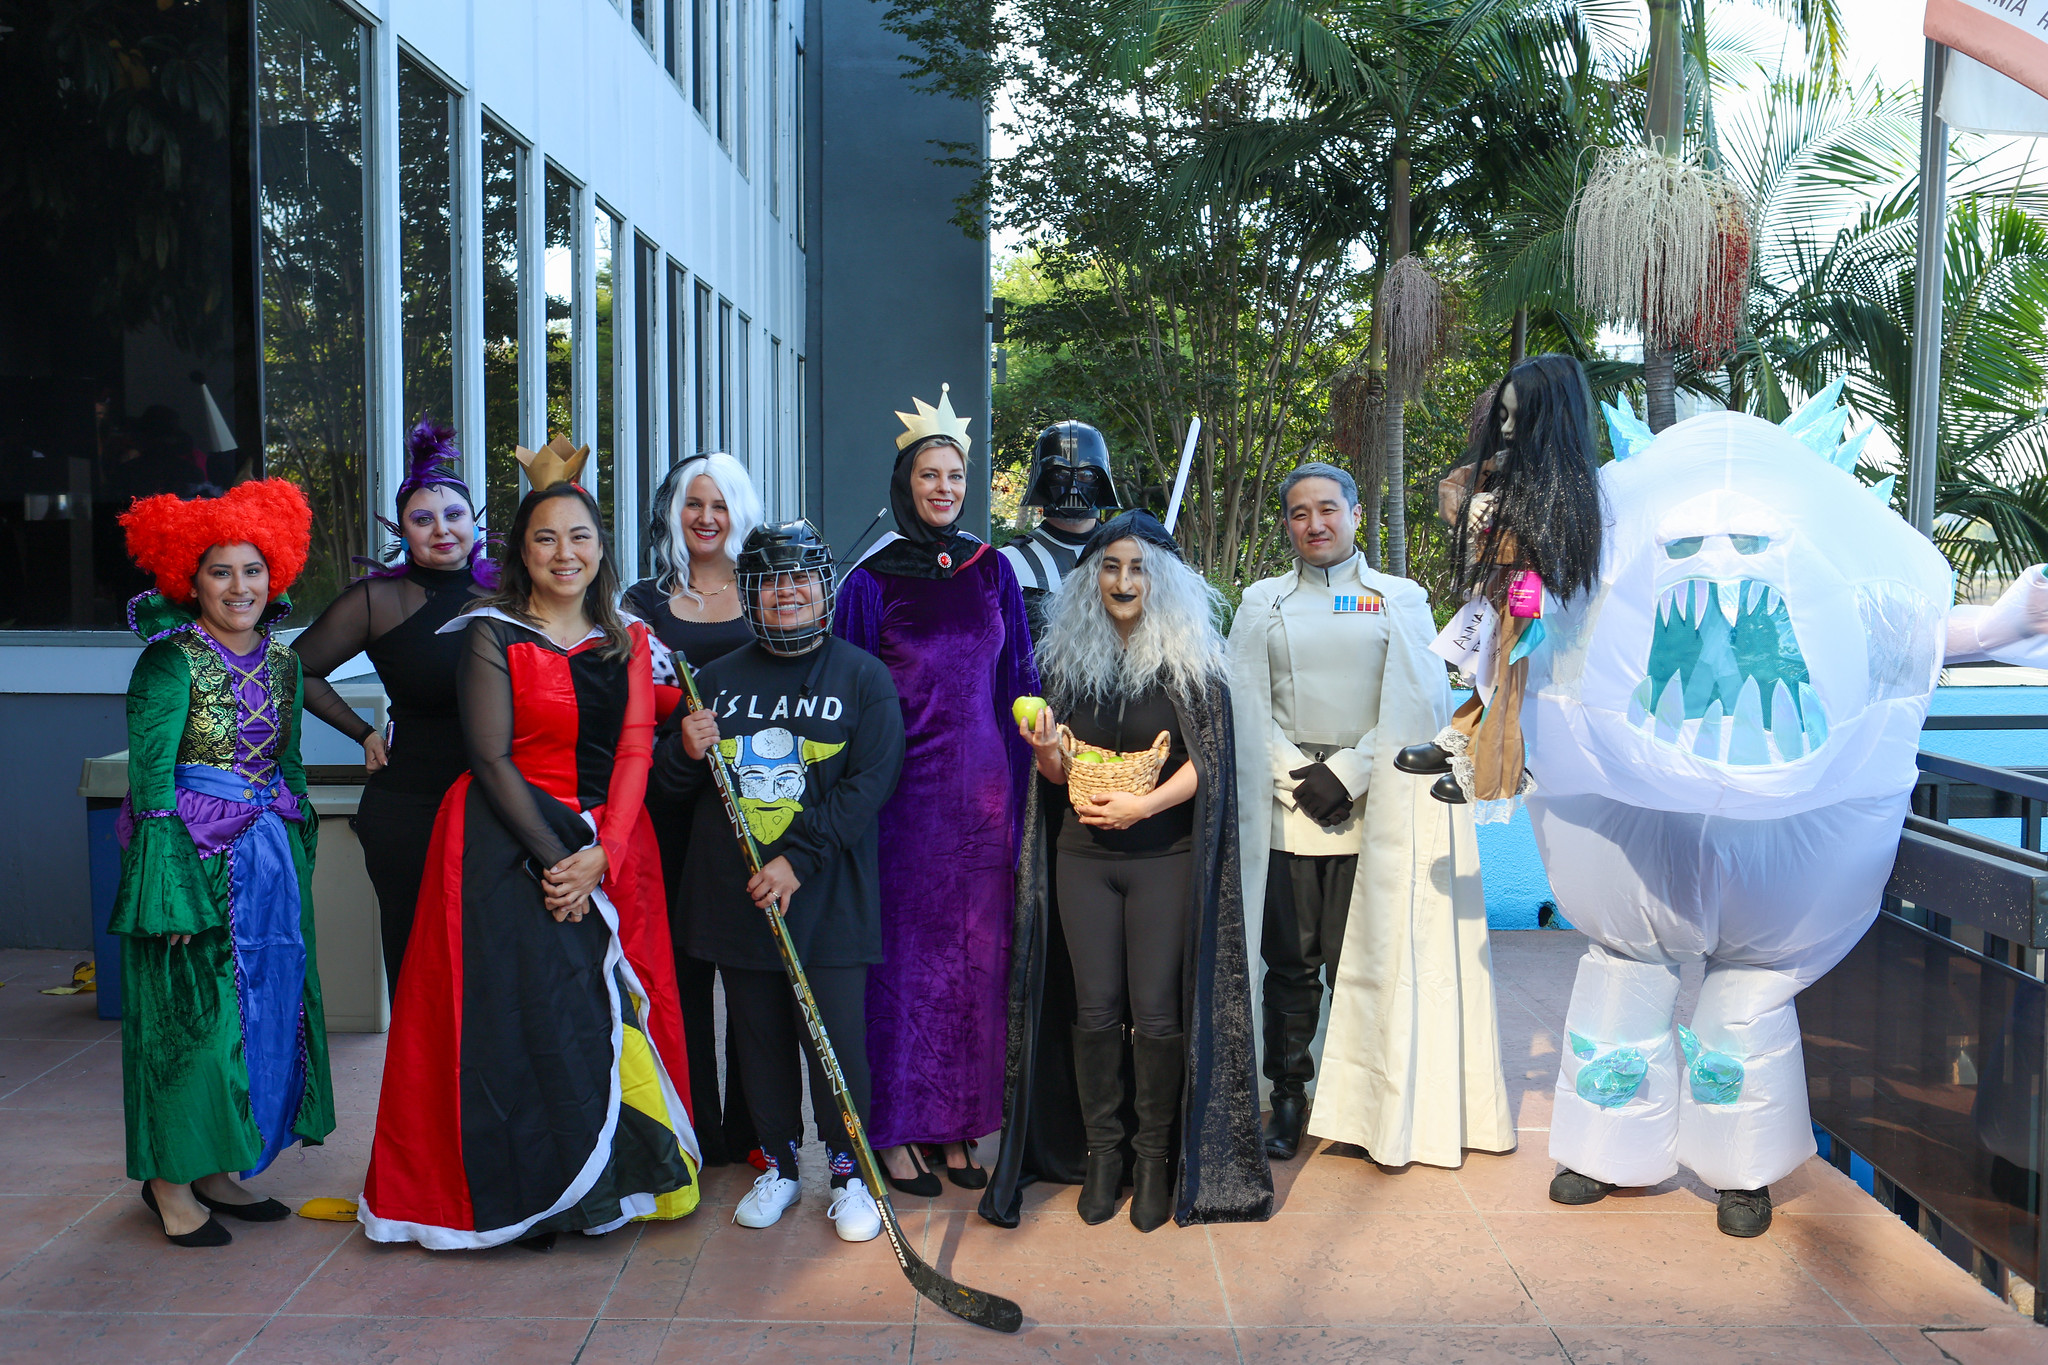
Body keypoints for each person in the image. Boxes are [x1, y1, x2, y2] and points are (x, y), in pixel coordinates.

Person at [361, 439, 699, 1250]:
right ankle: (526, 1189)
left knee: (605, 1014)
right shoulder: (489, 632)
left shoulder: (631, 637)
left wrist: (603, 857)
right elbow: (490, 757)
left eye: (579, 535)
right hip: (505, 850)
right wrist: (559, 860)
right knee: (519, 1023)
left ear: (601, 546)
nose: (564, 552)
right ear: (520, 550)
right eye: (545, 537)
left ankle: (605, 1184)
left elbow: (632, 749)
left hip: (611, 850)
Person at [983, 511, 1271, 1232]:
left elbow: (1210, 766)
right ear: (1091, 580)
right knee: (1094, 1010)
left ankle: (1153, 1160)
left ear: (1162, 580)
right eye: (1110, 566)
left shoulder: (1194, 666)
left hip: (1164, 858)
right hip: (1081, 859)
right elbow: (1053, 774)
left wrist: (1143, 805)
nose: (1123, 579)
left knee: (1158, 1012)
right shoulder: (1065, 664)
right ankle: (1103, 1156)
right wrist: (1045, 747)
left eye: (1138, 567)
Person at [1228, 462, 1514, 1168]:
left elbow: (1418, 701)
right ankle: (1289, 1097)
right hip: (1289, 807)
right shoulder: (1262, 602)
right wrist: (1299, 776)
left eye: (1328, 508)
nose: (1315, 523)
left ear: (1357, 513)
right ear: (1287, 523)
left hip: (1371, 805)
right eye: (1299, 512)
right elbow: (1240, 704)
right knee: (1289, 965)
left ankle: (1364, 1106)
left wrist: (1349, 773)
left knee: (1366, 960)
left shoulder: (1397, 599)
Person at [653, 520, 906, 1242]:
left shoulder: (862, 675)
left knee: (836, 1044)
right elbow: (668, 789)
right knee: (758, 1041)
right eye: (771, 581)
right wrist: (682, 747)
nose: (788, 592)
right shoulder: (716, 679)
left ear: (824, 587)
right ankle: (781, 1166)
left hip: (827, 900)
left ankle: (854, 1176)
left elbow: (870, 784)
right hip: (739, 904)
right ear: (752, 595)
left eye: (801, 578)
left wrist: (798, 859)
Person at [113, 478, 334, 1247]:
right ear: (190, 579)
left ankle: (215, 1168)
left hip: (266, 865)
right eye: (220, 572)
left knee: (258, 1017)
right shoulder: (167, 664)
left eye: (253, 570)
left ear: (275, 573)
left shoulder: (284, 664)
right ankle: (170, 1181)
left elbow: (293, 768)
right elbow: (150, 787)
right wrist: (166, 896)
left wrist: (298, 848)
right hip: (191, 868)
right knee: (190, 1024)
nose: (240, 587)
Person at [834, 383, 1039, 1195]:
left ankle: (959, 1128)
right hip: (904, 806)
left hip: (985, 802)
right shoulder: (870, 582)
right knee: (907, 968)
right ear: (905, 485)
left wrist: (1025, 791)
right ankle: (895, 1131)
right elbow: (847, 698)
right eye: (929, 476)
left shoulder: (995, 573)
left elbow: (1017, 681)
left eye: (955, 475)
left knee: (975, 967)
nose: (944, 489)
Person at [292, 419, 494, 994]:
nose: (442, 530)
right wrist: (362, 731)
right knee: (418, 972)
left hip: (500, 804)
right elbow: (296, 669)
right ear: (402, 530)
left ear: (474, 522)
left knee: (493, 972)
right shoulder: (377, 600)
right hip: (410, 808)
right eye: (422, 519)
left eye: (453, 515)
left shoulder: (511, 594)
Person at [623, 452, 763, 1168]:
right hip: (669, 808)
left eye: (719, 504)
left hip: (752, 809)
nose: (706, 518)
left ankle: (753, 1129)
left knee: (751, 971)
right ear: (674, 510)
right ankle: (693, 1126)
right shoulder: (640, 602)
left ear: (740, 510)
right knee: (677, 973)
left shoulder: (768, 593)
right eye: (692, 503)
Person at [1393, 355, 1607, 806]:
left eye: (1518, 417)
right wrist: (1472, 508)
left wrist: (1493, 523)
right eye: (1503, 416)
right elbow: (1456, 489)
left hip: (1537, 606)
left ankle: (1493, 769)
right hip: (1498, 596)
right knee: (1488, 671)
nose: (1507, 428)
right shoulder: (1505, 469)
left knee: (1505, 676)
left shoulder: (1569, 489)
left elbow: (1552, 545)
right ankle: (1461, 736)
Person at [999, 420, 1120, 644]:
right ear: (1042, 479)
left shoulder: (1130, 559)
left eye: (1086, 475)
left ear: (1101, 479)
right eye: (1061, 474)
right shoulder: (1009, 564)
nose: (1074, 486)